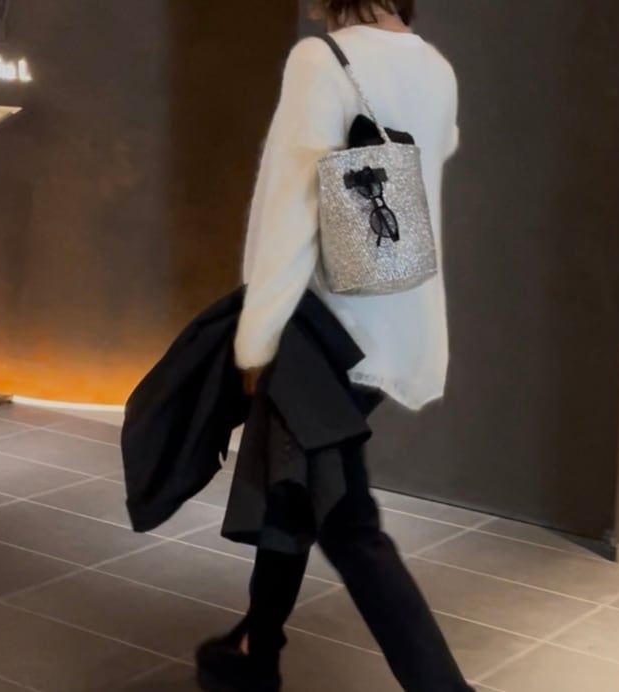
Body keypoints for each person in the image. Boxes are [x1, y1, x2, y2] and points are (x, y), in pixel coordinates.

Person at [196, 1, 471, 690]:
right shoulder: (435, 67)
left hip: (325, 333)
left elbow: (289, 213)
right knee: (294, 486)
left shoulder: (322, 60)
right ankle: (255, 652)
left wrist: (256, 337)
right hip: (399, 324)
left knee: (348, 524)